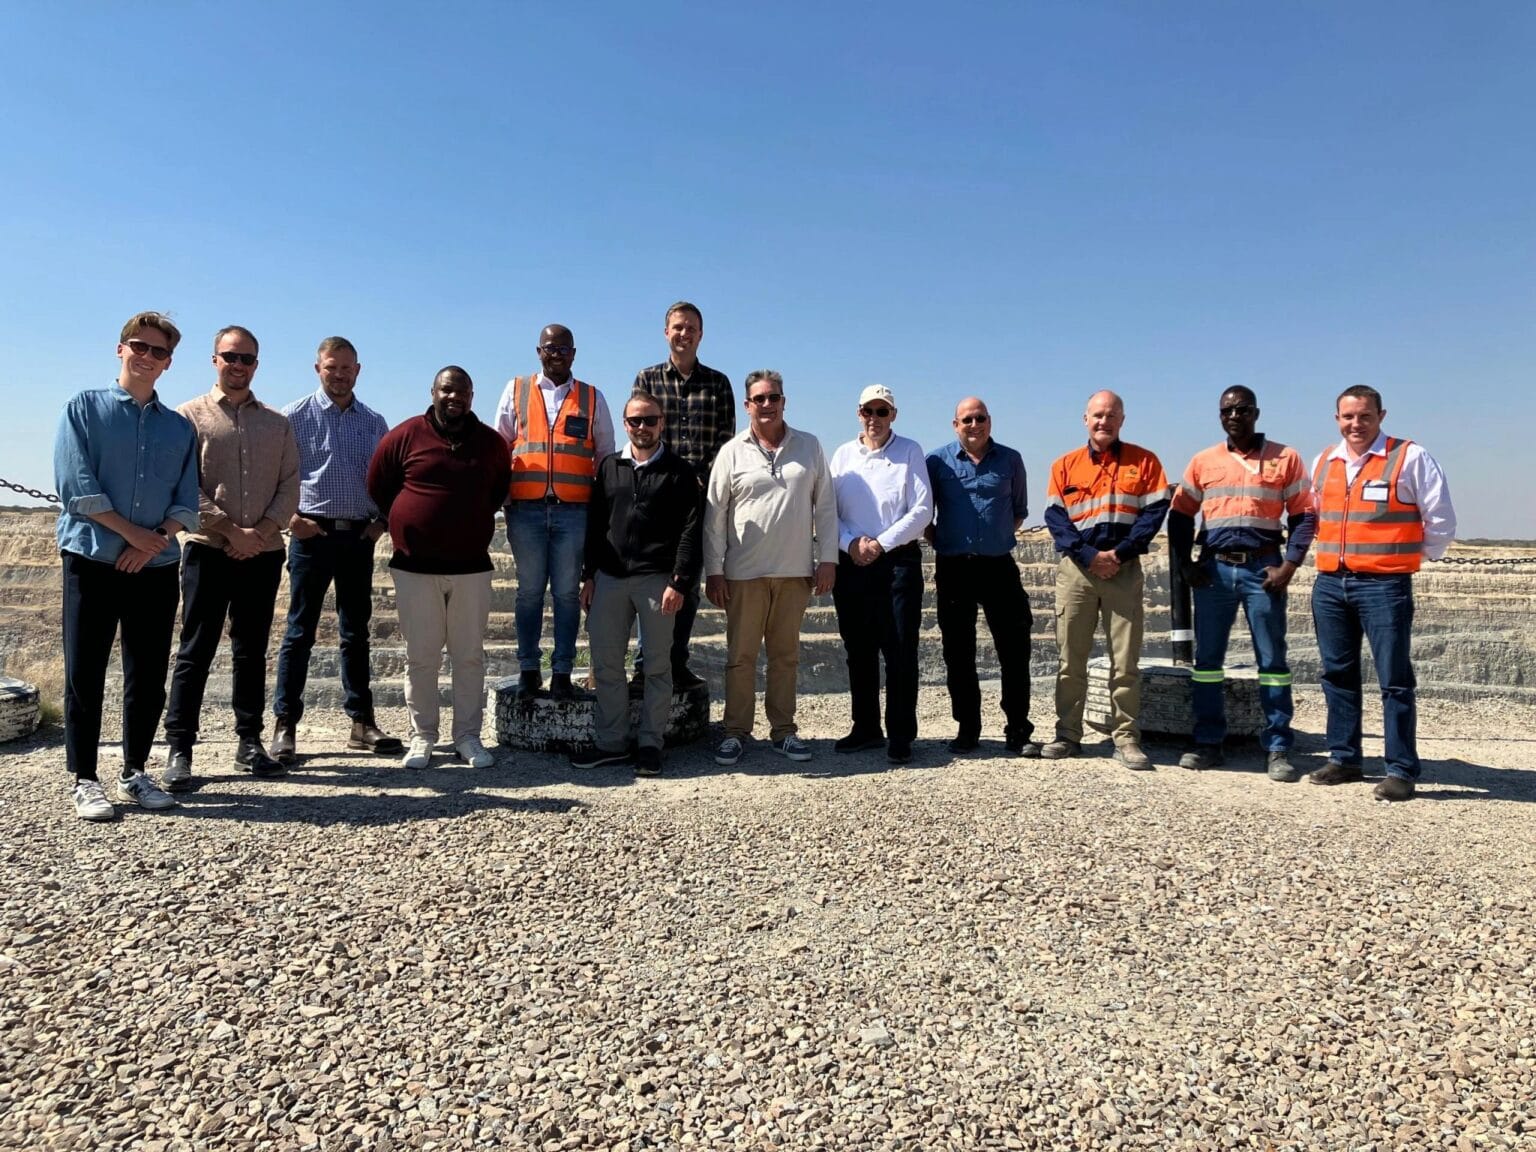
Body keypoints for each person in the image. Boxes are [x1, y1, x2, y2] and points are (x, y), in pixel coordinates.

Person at [54, 312, 200, 820]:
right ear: (121, 349)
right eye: (140, 346)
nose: (147, 357)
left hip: (154, 566)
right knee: (85, 671)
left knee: (148, 673)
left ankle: (135, 771)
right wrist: (132, 534)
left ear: (168, 363)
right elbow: (76, 487)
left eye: (159, 351)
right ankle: (85, 778)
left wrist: (153, 542)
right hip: (92, 558)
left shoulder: (179, 428)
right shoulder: (83, 409)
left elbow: (186, 502)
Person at [163, 326, 300, 787]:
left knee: (251, 650)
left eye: (247, 359)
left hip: (263, 552)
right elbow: (183, 484)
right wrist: (229, 530)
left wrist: (259, 533)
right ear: (215, 360)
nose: (238, 365)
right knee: (195, 649)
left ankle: (249, 742)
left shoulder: (277, 424)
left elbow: (290, 485)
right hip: (208, 550)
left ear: (256, 365)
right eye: (230, 356)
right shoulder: (188, 417)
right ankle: (179, 748)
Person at [1307, 385, 1456, 802]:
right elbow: (1314, 516)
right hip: (1331, 583)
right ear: (1337, 418)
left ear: (1381, 416)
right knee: (1337, 674)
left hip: (1384, 586)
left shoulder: (1409, 457)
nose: (1356, 424)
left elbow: (1440, 518)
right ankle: (1344, 759)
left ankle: (1400, 771)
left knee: (1394, 680)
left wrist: (1404, 558)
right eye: (1348, 416)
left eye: (1365, 416)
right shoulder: (1324, 461)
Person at [1167, 387, 1315, 780]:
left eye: (1242, 409)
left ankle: (1278, 746)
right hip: (1214, 571)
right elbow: (1180, 515)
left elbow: (1304, 516)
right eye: (1227, 410)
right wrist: (1185, 565)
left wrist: (1289, 566)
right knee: (1207, 662)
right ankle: (1207, 742)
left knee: (1272, 661)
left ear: (1256, 413)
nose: (1234, 416)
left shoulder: (1285, 458)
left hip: (1263, 570)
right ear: (1220, 415)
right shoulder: (1204, 461)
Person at [368, 366, 511, 770]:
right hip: (415, 567)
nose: (454, 397)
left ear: (471, 396)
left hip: (471, 568)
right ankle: (423, 736)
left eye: (462, 391)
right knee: (421, 657)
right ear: (433, 392)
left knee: (469, 657)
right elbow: (379, 485)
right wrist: (410, 517)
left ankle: (467, 737)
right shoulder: (404, 435)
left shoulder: (491, 443)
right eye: (447, 390)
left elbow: (498, 491)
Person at [271, 337, 401, 762]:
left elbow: (389, 478)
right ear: (318, 369)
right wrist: (292, 521)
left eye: (347, 368)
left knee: (355, 633)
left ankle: (362, 723)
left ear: (357, 371)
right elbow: (275, 477)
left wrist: (381, 523)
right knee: (299, 632)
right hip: (312, 536)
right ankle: (285, 725)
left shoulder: (374, 422)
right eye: (332, 367)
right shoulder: (293, 416)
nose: (339, 375)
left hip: (358, 538)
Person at [704, 370, 836, 767]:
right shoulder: (732, 452)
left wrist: (828, 558)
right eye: (759, 398)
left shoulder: (809, 446)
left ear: (783, 401)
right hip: (744, 573)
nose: (767, 404)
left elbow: (825, 507)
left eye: (773, 397)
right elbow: (715, 515)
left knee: (785, 656)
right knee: (741, 657)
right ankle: (735, 732)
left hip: (795, 572)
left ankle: (783, 731)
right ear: (747, 405)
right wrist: (714, 570)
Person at [574, 391, 702, 777]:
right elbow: (596, 525)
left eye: (649, 420)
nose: (642, 427)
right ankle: (612, 743)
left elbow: (690, 531)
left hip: (657, 582)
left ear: (662, 423)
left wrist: (679, 582)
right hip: (609, 579)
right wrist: (588, 576)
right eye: (635, 421)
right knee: (606, 664)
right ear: (625, 424)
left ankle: (650, 744)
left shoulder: (680, 472)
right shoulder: (609, 468)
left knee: (658, 667)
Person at [1042, 390, 1170, 769]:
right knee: (1070, 659)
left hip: (1122, 571)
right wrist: (1089, 556)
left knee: (1125, 661)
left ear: (1122, 420)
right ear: (1086, 419)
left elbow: (1154, 513)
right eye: (1098, 415)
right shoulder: (1064, 465)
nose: (1104, 421)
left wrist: (1119, 554)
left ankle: (1126, 738)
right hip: (1077, 573)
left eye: (1111, 415)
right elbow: (1056, 519)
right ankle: (1067, 735)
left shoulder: (1145, 462)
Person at [495, 325, 614, 701]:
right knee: (529, 593)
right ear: (539, 351)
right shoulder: (516, 390)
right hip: (526, 510)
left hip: (574, 512)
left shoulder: (592, 398)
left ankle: (562, 672)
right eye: (550, 348)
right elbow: (500, 447)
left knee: (566, 595)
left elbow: (605, 458)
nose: (556, 354)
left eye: (563, 349)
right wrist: (504, 500)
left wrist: (601, 512)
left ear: (574, 354)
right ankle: (529, 671)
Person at [926, 397, 1039, 758]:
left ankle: (1018, 729)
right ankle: (967, 729)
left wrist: (992, 538)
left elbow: (1018, 511)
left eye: (980, 418)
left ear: (990, 421)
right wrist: (945, 541)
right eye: (967, 420)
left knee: (1015, 649)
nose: (974, 425)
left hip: (998, 566)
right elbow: (925, 514)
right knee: (958, 652)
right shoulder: (936, 462)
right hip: (954, 567)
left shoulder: (1011, 460)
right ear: (955, 425)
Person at [632, 301, 735, 689]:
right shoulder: (647, 379)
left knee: (687, 584)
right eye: (677, 327)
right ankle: (645, 666)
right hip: (657, 498)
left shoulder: (718, 384)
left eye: (691, 327)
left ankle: (676, 662)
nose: (684, 333)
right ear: (666, 333)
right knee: (653, 583)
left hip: (702, 500)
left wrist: (701, 482)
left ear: (700, 334)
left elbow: (725, 443)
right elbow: (641, 433)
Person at [828, 385, 933, 764]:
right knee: (858, 649)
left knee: (900, 649)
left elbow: (922, 510)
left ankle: (901, 734)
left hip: (896, 563)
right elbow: (828, 511)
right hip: (851, 564)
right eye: (868, 411)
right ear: (859, 413)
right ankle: (866, 728)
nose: (874, 418)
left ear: (893, 415)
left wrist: (879, 544)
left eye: (882, 411)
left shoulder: (909, 451)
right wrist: (852, 544)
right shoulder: (842, 456)